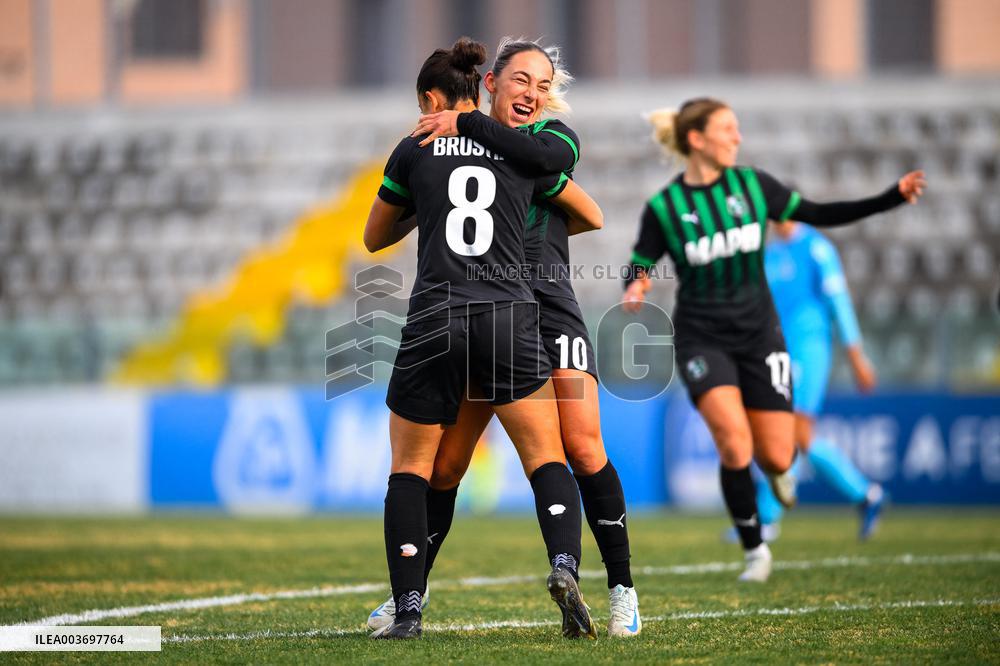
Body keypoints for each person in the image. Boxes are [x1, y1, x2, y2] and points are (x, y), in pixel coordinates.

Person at [368, 37, 640, 639]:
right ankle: (410, 590)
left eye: (543, 86)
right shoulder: (491, 149)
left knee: (582, 445)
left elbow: (592, 213)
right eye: (522, 81)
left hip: (547, 309)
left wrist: (462, 126)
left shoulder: (547, 140)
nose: (533, 94)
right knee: (447, 467)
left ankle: (621, 589)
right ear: (490, 83)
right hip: (502, 314)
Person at [622, 97, 925, 582]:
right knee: (733, 444)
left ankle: (780, 472)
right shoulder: (665, 207)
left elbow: (819, 212)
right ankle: (755, 549)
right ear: (697, 139)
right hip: (702, 340)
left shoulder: (754, 186)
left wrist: (890, 197)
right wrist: (635, 284)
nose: (737, 137)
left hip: (760, 338)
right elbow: (640, 260)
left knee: (778, 454)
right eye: (728, 128)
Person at [750, 218, 885, 540]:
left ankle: (766, 519)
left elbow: (839, 303)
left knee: (793, 432)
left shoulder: (816, 248)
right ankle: (866, 496)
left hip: (810, 347)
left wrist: (856, 357)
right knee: (795, 436)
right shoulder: (771, 254)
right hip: (779, 351)